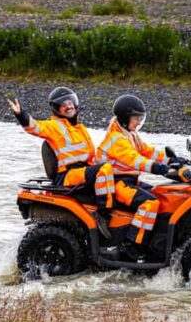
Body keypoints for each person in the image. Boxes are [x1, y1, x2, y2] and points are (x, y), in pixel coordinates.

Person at [7, 87, 113, 237]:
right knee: (105, 170)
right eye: (64, 104)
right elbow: (34, 127)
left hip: (82, 171)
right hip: (68, 175)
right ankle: (103, 215)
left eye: (71, 102)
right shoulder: (54, 126)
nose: (69, 106)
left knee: (112, 169)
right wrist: (20, 114)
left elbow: (90, 156)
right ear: (57, 109)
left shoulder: (79, 127)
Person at [96, 94, 186, 260]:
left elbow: (148, 152)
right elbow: (136, 161)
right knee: (150, 203)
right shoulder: (117, 139)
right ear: (124, 118)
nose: (138, 122)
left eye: (140, 118)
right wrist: (163, 170)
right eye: (136, 118)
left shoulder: (129, 134)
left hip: (129, 180)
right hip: (116, 183)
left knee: (159, 193)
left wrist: (175, 160)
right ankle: (132, 245)